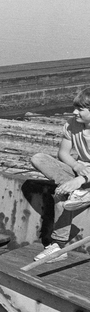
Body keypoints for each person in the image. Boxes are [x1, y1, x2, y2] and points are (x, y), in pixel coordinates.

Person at [30, 89, 90, 262]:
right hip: (82, 172)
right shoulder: (72, 124)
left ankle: (58, 246)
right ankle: (81, 192)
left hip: (85, 177)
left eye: (80, 109)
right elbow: (63, 154)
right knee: (38, 158)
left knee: (61, 194)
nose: (74, 112)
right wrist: (76, 166)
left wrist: (80, 179)